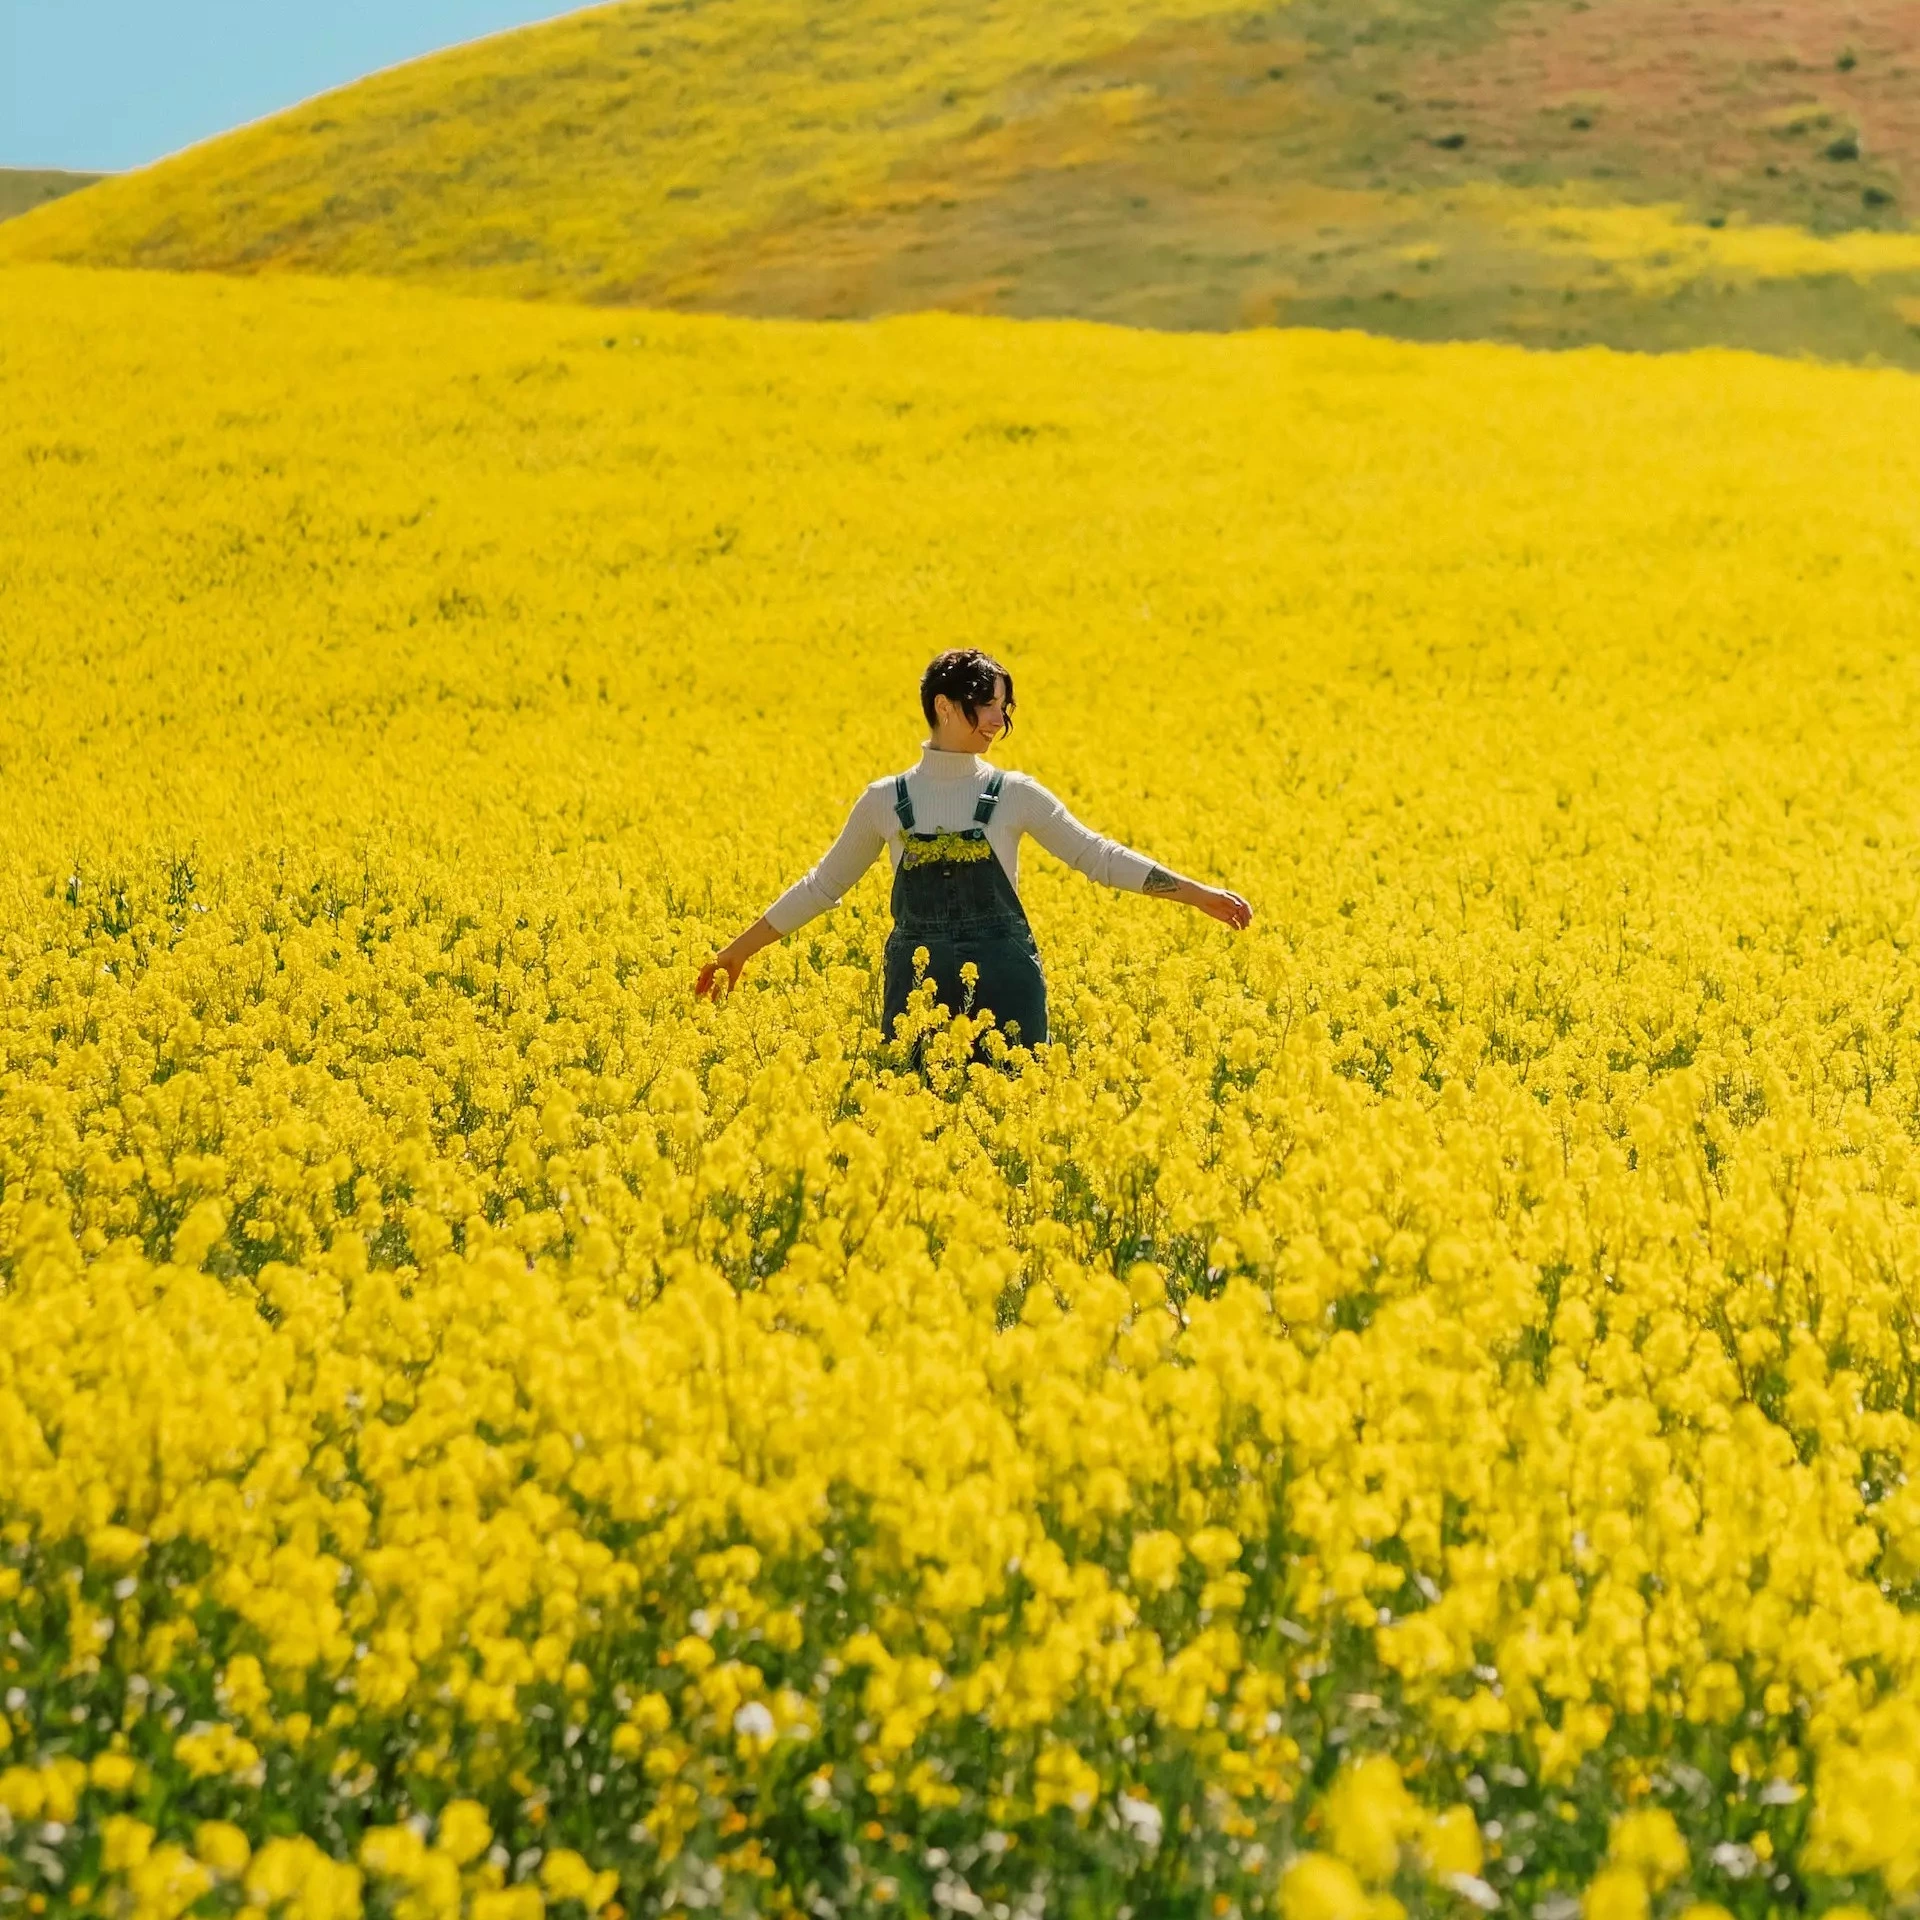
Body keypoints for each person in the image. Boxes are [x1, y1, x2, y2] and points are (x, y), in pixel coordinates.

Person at [694, 649, 1253, 1049]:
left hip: (1008, 986)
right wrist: (737, 952)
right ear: (943, 705)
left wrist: (1195, 894)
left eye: (1003, 708)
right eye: (985, 704)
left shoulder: (1014, 794)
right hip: (917, 996)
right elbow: (822, 887)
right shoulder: (885, 801)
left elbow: (1096, 857)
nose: (997, 720)